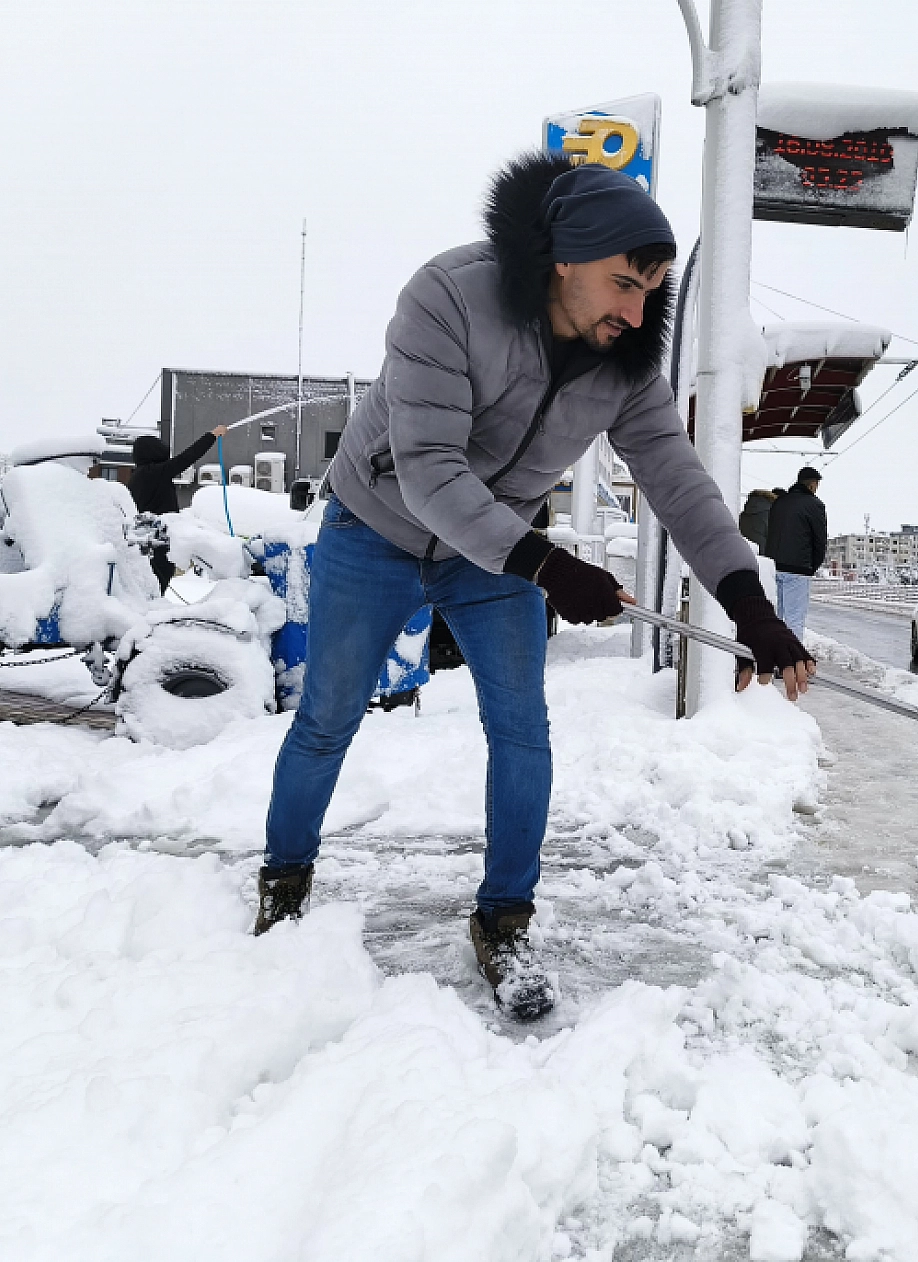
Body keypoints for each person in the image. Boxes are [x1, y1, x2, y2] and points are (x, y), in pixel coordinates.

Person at [253, 153, 815, 1019]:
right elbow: (432, 472)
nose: (637, 312)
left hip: (497, 547)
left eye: (652, 289)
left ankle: (505, 918)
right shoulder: (446, 299)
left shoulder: (621, 357)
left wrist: (747, 602)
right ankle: (284, 881)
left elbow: (674, 476)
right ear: (561, 259)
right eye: (623, 284)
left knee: (522, 731)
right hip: (379, 526)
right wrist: (549, 567)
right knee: (328, 717)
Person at [128, 425, 229, 592]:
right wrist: (212, 436)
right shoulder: (153, 473)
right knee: (158, 582)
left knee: (152, 584)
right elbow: (186, 458)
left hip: (148, 541)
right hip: (157, 542)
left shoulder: (139, 476)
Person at [761, 468, 827, 639]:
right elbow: (820, 540)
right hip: (798, 569)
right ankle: (790, 661)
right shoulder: (815, 505)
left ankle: (774, 656)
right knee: (794, 620)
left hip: (775, 566)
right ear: (812, 484)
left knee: (777, 618)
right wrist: (812, 566)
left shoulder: (779, 503)